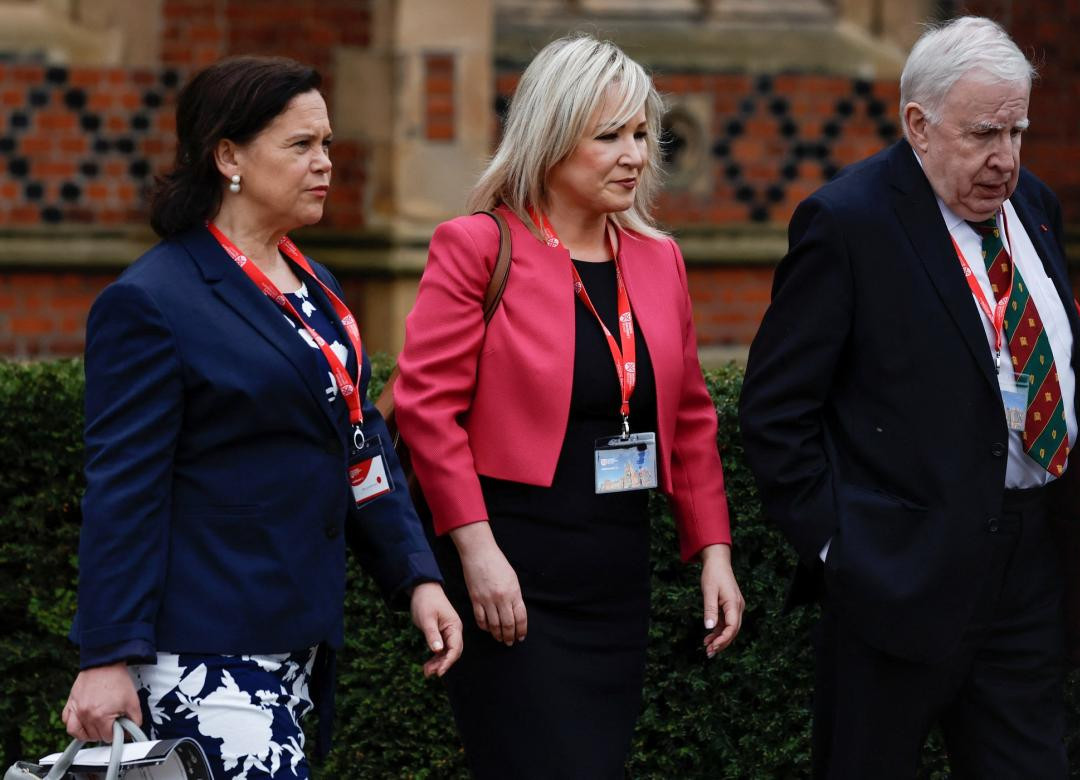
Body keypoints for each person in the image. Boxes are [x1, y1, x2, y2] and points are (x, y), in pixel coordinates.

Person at [739, 16, 1080, 779]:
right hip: (898, 583)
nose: (1005, 159)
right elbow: (776, 410)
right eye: (984, 133)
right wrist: (841, 549)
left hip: (1028, 569)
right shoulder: (848, 224)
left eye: (1018, 131)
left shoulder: (1038, 206)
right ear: (918, 124)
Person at [62, 56, 462, 778]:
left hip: (296, 641)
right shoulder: (151, 301)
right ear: (228, 156)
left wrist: (415, 575)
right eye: (301, 146)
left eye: (328, 145)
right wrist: (105, 655)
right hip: (201, 650)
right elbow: (124, 488)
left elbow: (360, 445)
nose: (325, 164)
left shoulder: (317, 289)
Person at [393, 34, 744, 779]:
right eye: (609, 135)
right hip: (510, 578)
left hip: (615, 577)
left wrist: (713, 550)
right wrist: (477, 553)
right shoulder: (477, 247)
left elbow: (687, 419)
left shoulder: (659, 258)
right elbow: (426, 409)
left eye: (644, 134)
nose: (635, 155)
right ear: (550, 141)